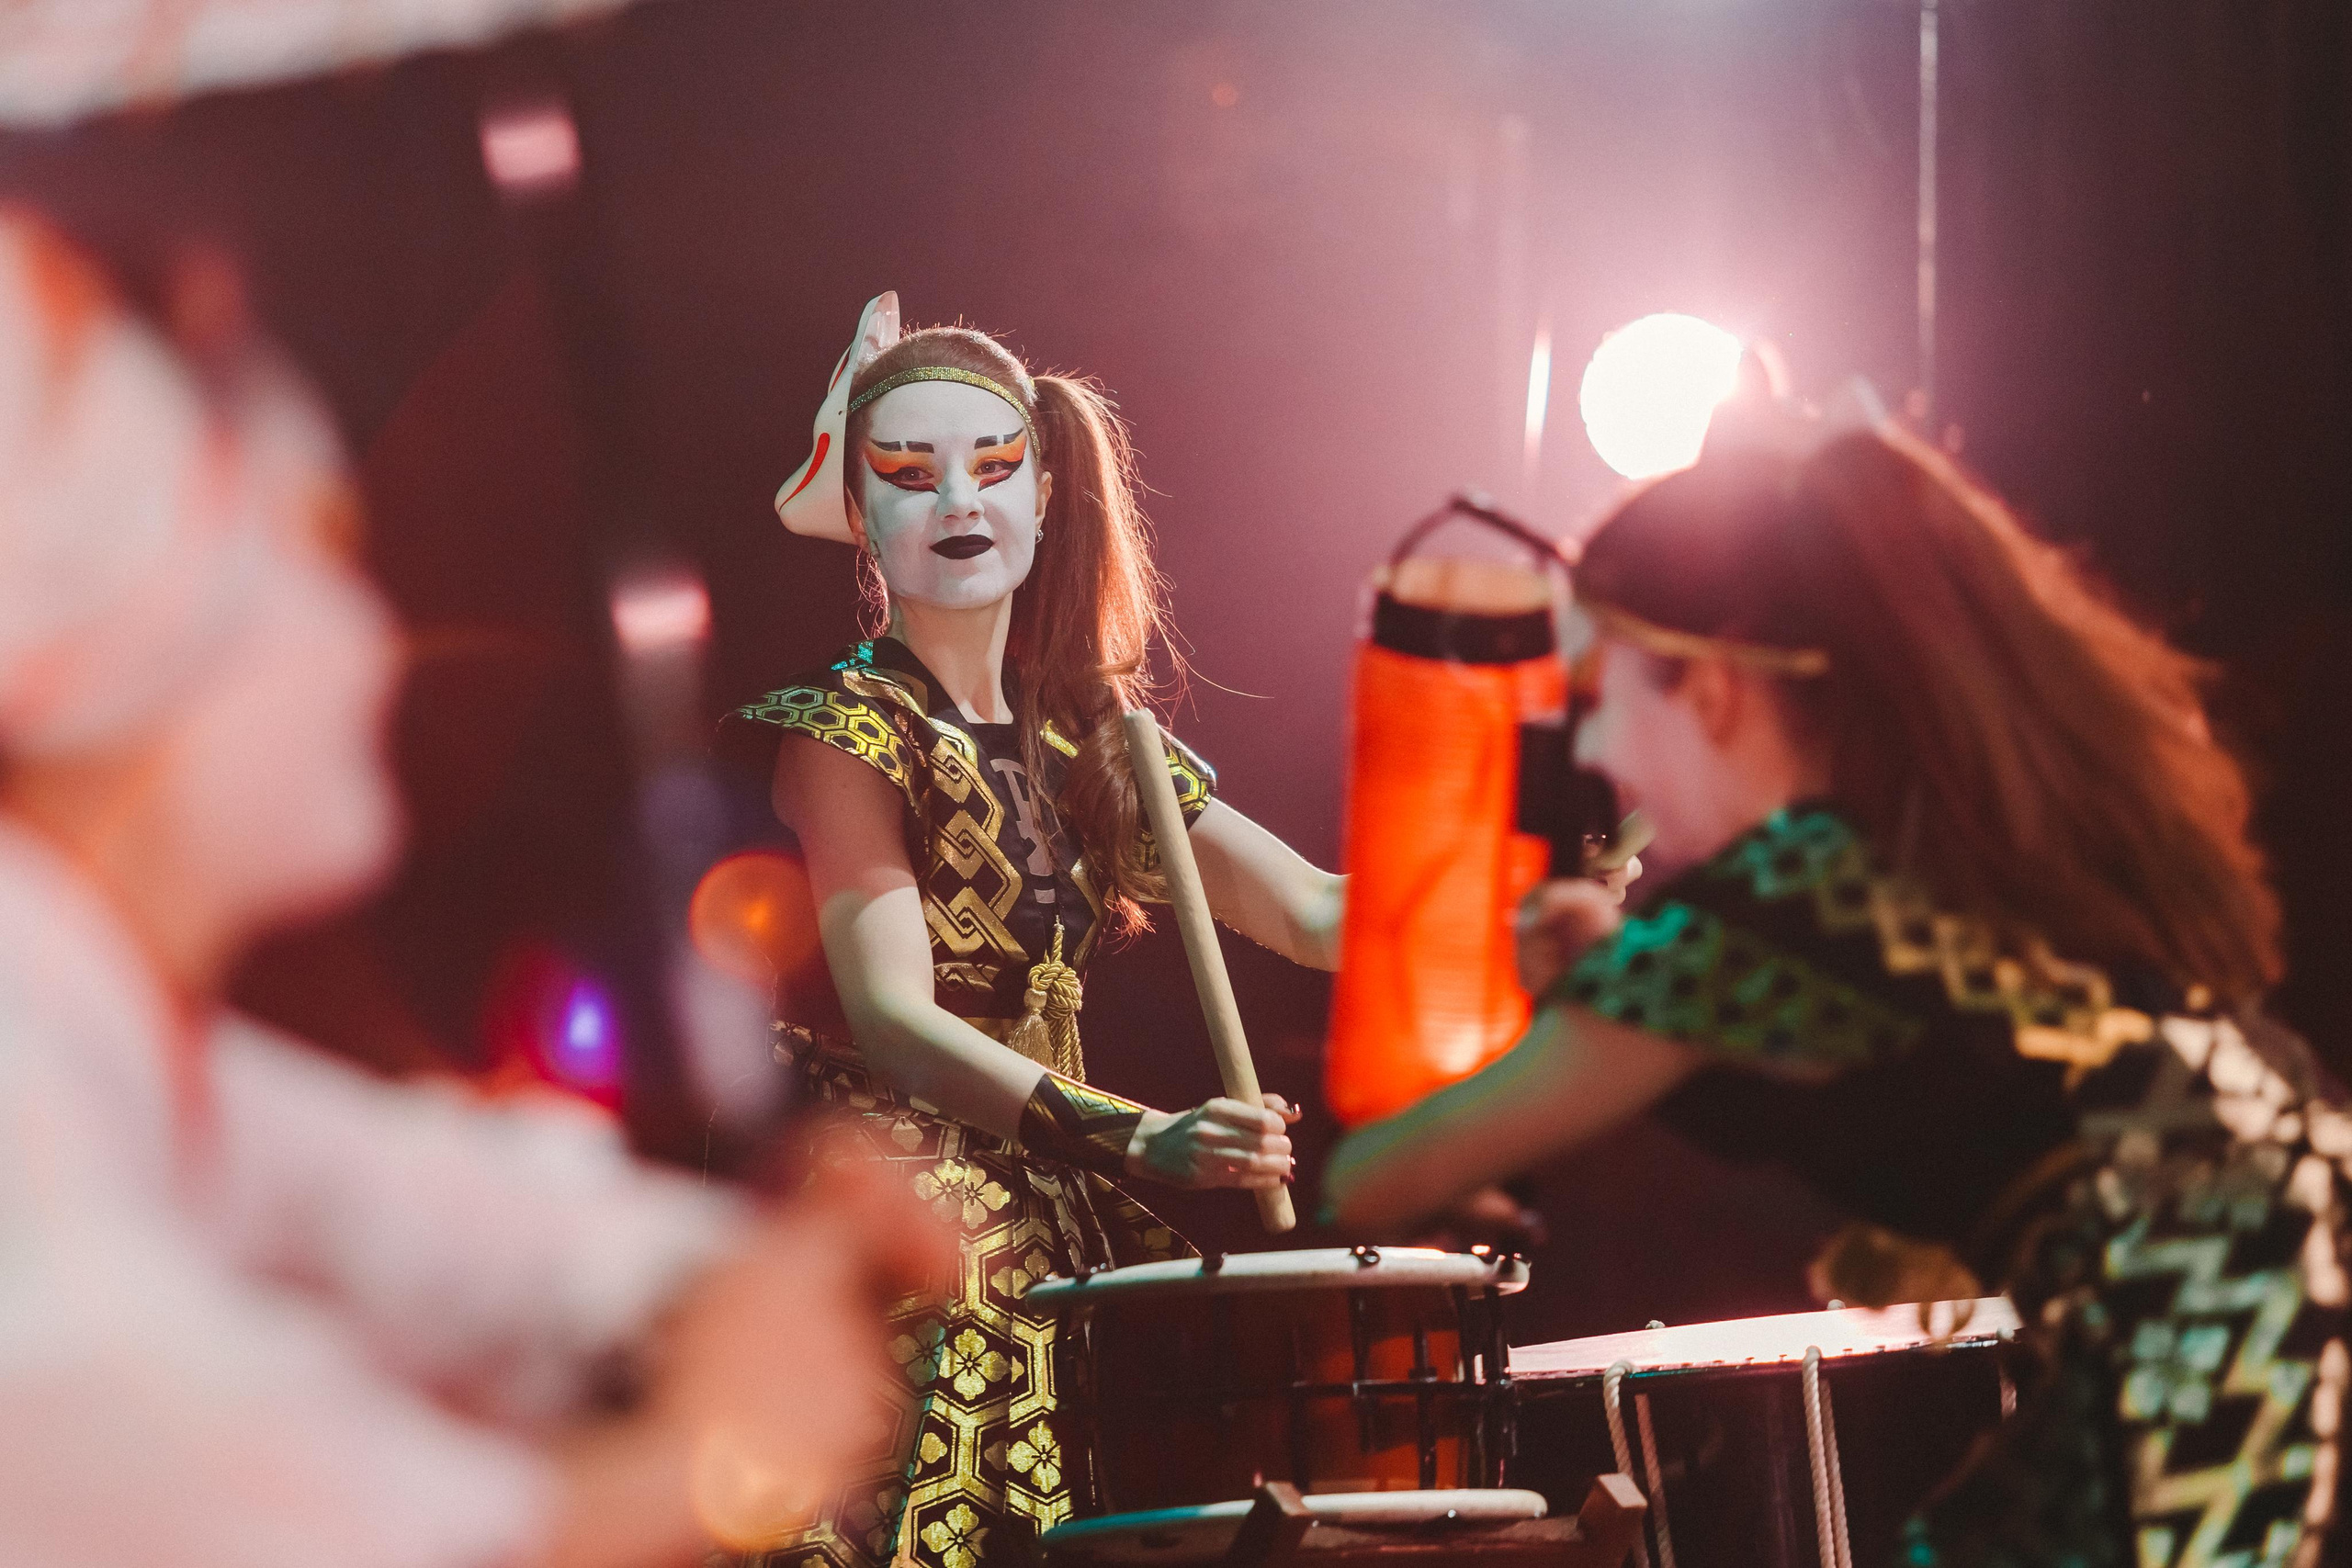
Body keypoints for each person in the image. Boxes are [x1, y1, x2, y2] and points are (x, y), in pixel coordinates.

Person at [0, 210, 944, 1568]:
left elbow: (415, 1214)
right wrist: (710, 1459)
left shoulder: (102, 1019)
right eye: (316, 545)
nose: (375, 637)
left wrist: (747, 1256)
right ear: (106, 610)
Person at [1323, 426, 2347, 1563]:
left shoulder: (1771, 911)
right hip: (2286, 1268)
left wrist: (1493, 980)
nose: (1599, 749)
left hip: (2213, 1323)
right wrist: (1612, 972)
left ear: (1709, 689)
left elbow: (1381, 1181)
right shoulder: (1921, 853)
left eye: (1598, 695)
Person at [718, 298, 1346, 1568]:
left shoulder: (1098, 744)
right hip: (893, 1204)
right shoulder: (842, 730)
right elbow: (895, 1025)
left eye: (993, 465)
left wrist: (1544, 893)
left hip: (1046, 1198)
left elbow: (1321, 913)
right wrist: (1143, 1133)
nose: (957, 497)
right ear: (861, 512)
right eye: (906, 471)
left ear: (1047, 489)